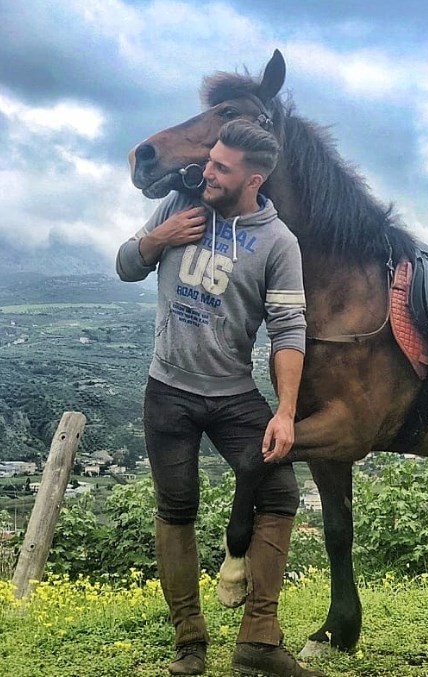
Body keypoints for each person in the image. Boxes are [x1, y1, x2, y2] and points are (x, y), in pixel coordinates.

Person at [116, 119, 324, 677]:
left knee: (280, 493)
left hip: (233, 394)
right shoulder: (181, 204)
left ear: (254, 180)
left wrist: (285, 412)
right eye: (209, 160)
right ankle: (190, 644)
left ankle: (258, 640)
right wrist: (158, 239)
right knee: (176, 508)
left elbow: (289, 329)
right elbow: (126, 265)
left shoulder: (278, 243)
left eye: (221, 168)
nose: (206, 171)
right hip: (168, 391)